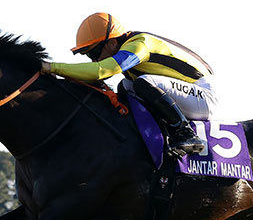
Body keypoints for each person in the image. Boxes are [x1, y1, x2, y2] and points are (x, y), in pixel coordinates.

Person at [41, 13, 216, 157]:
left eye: (94, 53)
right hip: (185, 93)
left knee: (143, 82)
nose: (93, 60)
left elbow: (100, 71)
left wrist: (53, 67)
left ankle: (185, 133)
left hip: (204, 95)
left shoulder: (139, 45)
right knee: (125, 86)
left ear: (111, 43)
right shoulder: (127, 46)